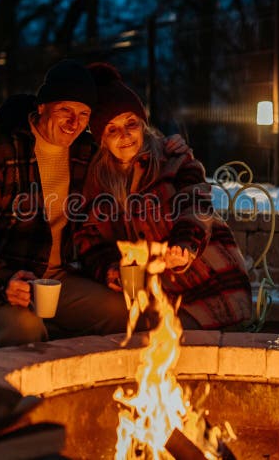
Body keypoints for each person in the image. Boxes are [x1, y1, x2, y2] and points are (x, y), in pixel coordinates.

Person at [0, 59, 131, 347]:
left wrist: (107, 269)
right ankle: (25, 392)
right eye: (65, 109)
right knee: (24, 331)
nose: (74, 122)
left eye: (83, 113)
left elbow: (92, 231)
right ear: (41, 106)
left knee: (125, 313)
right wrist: (3, 278)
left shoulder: (86, 153)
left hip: (53, 281)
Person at [75, 63, 253, 330]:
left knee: (166, 339)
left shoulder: (172, 158)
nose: (124, 135)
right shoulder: (98, 181)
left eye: (131, 123)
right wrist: (111, 270)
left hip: (210, 280)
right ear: (101, 138)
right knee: (137, 336)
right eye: (112, 129)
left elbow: (196, 204)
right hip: (159, 291)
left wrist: (185, 244)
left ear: (142, 124)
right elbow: (89, 240)